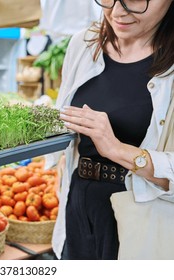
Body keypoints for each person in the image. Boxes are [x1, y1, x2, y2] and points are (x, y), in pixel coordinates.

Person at [52, 0, 173, 260]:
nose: (117, 12)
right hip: (79, 206)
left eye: (135, 0)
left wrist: (117, 149)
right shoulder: (84, 44)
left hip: (143, 218)